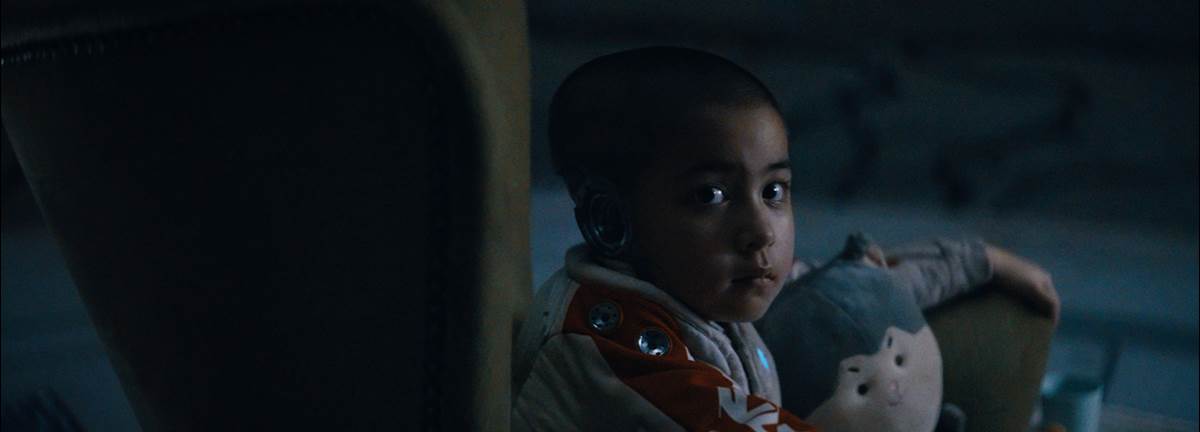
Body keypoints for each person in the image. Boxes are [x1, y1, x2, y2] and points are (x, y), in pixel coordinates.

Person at [511, 46, 1058, 431]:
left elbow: (851, 286)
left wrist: (980, 261)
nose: (760, 232)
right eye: (710, 196)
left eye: (774, 190)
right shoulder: (605, 337)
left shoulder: (707, 282)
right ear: (610, 219)